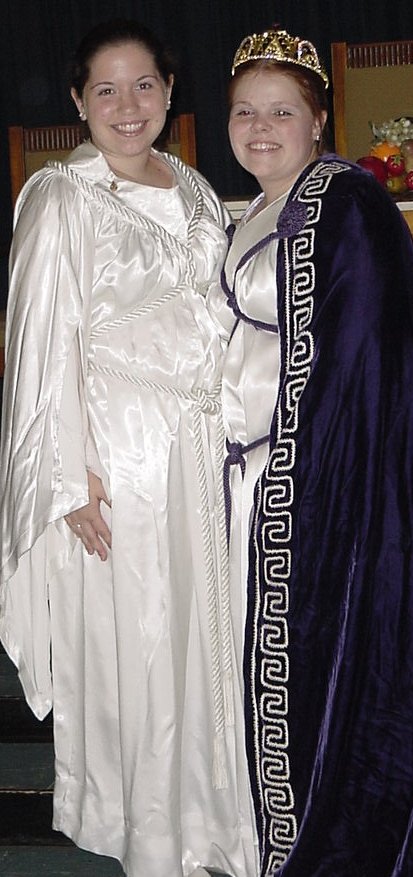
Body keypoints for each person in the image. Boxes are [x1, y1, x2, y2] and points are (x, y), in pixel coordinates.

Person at [0, 19, 258, 877]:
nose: (126, 105)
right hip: (120, 458)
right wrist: (67, 474)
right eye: (105, 89)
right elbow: (39, 343)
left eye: (143, 84)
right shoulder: (60, 197)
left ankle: (213, 821)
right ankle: (149, 833)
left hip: (203, 449)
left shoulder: (193, 185)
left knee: (204, 638)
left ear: (170, 91)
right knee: (143, 639)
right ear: (77, 100)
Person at [208, 26, 413, 877]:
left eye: (281, 112)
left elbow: (358, 361)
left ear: (319, 119)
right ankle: (258, 838)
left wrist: (305, 485)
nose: (260, 128)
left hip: (306, 481)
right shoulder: (251, 209)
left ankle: (303, 848)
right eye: (244, 111)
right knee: (253, 671)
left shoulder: (343, 201)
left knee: (308, 669)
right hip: (244, 484)